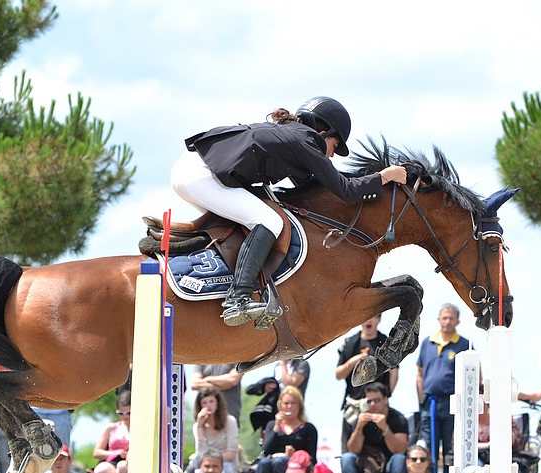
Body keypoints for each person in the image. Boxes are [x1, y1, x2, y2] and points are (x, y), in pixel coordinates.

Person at [172, 97, 406, 327]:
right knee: (270, 221)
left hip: (194, 171)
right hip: (201, 176)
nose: (332, 155)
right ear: (323, 131)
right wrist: (385, 176)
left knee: (253, 216)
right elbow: (344, 190)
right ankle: (237, 299)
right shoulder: (305, 140)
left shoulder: (292, 136)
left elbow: (315, 186)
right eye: (335, 146)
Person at [416, 304, 471, 473]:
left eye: (451, 318)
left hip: (452, 402)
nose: (447, 322)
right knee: (427, 446)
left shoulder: (464, 344)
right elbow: (420, 373)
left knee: (450, 447)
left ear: (458, 321)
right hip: (429, 402)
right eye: (444, 318)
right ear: (439, 319)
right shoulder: (427, 342)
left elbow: (475, 374)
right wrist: (421, 398)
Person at [336, 315, 399, 452]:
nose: (369, 321)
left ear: (379, 319)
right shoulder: (350, 343)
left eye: (373, 317)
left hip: (376, 404)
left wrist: (386, 396)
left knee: (379, 445)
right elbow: (338, 374)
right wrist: (355, 361)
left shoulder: (385, 343)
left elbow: (394, 373)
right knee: (349, 450)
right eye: (366, 317)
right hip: (353, 406)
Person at [341, 382, 409, 473]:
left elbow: (400, 450)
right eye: (369, 401)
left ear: (385, 399)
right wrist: (359, 428)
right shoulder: (361, 419)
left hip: (388, 464)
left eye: (377, 400)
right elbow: (353, 450)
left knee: (399, 459)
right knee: (346, 458)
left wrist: (385, 429)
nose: (372, 404)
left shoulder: (398, 419)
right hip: (366, 464)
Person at [254, 386, 317, 473]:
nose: (289, 407)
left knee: (280, 462)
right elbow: (265, 450)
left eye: (293, 403)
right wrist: (276, 427)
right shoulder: (272, 425)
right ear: (280, 405)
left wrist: (296, 456)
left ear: (299, 406)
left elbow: (312, 457)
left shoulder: (308, 428)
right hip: (273, 459)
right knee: (264, 463)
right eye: (286, 403)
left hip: (296, 464)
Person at [187, 388, 239, 473]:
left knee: (225, 469)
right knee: (191, 468)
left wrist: (213, 460)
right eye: (204, 402)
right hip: (206, 465)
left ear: (217, 403)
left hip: (226, 464)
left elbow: (231, 454)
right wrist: (199, 426)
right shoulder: (197, 426)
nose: (208, 405)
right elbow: (201, 453)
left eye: (211, 401)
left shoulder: (230, 421)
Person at [93, 391, 131, 473]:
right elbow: (96, 452)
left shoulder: (139, 429)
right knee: (101, 471)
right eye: (121, 413)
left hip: (130, 463)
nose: (125, 416)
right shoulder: (111, 428)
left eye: (128, 413)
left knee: (122, 467)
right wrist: (117, 453)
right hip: (111, 462)